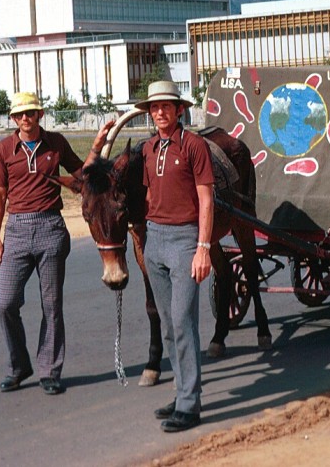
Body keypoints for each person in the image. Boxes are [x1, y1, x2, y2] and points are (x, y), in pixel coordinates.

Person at [0, 92, 112, 396]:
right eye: (19, 115)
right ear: (13, 118)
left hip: (50, 228)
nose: (25, 119)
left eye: (30, 113)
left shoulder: (55, 143)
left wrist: (96, 145)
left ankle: (49, 371)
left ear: (40, 114)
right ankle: (19, 366)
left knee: (52, 305)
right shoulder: (5, 148)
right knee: (6, 303)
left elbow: (81, 176)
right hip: (17, 230)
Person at [136, 80, 214, 433]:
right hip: (155, 240)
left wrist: (203, 248)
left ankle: (189, 404)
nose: (160, 112)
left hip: (185, 241)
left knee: (183, 321)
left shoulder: (194, 146)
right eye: (154, 108)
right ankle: (182, 391)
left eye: (166, 106)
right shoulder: (148, 148)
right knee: (168, 324)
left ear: (179, 109)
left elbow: (207, 199)